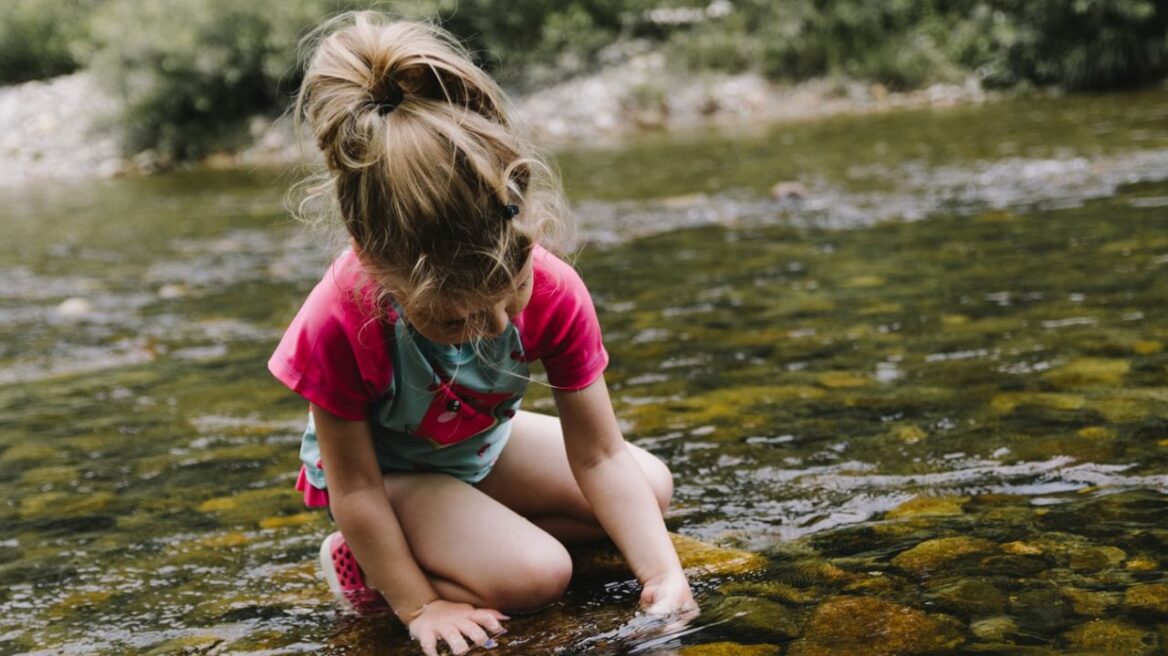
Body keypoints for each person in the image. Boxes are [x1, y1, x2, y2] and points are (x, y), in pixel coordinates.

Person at [268, 12, 698, 656]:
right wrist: (420, 605)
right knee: (540, 575)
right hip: (389, 480)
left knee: (649, 487)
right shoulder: (339, 320)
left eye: (509, 295)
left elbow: (600, 455)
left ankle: (472, 534)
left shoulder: (552, 287)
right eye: (455, 319)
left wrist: (664, 575)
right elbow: (353, 488)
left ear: (526, 230)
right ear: (378, 268)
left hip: (476, 447)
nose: (496, 327)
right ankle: (369, 567)